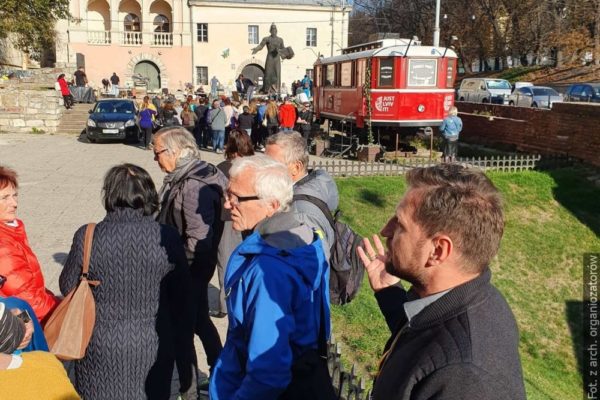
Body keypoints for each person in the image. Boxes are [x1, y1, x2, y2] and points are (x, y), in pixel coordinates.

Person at [356, 164, 526, 400]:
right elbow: (425, 337)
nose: (386, 231)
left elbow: (441, 352)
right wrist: (389, 294)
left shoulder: (465, 379)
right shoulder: (471, 296)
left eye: (400, 224)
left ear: (438, 250)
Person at [60, 164, 195, 399]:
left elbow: (68, 286)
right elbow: (183, 296)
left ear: (110, 194)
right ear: (149, 195)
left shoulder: (88, 235)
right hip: (153, 342)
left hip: (99, 344)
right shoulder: (167, 237)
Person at [209, 155, 332, 399]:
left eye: (236, 198)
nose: (226, 205)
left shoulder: (269, 271)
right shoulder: (303, 235)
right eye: (227, 195)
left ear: (272, 205)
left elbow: (268, 372)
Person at [153, 128, 228, 391]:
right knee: (198, 321)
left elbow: (198, 239)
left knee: (182, 330)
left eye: (157, 152)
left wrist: (176, 266)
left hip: (190, 268)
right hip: (193, 267)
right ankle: (218, 374)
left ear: (175, 152)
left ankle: (191, 387)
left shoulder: (194, 184)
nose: (155, 159)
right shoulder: (195, 173)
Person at [265, 132, 339, 260]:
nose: (263, 170)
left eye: (271, 165)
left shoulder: (301, 214)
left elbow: (314, 267)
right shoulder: (301, 194)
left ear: (296, 167)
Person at [0, 166, 59, 323]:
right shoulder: (3, 246)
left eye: (15, 195)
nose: (14, 203)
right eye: (4, 198)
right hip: (26, 326)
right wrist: (61, 308)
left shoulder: (12, 230)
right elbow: (28, 301)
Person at [212, 129, 255, 318]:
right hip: (251, 217)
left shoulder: (221, 168)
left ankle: (225, 304)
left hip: (227, 219)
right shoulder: (254, 166)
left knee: (227, 260)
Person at [252, 24, 287, 93]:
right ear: (270, 31)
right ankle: (267, 89)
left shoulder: (280, 40)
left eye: (275, 29)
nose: (273, 31)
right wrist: (256, 49)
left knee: (277, 73)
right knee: (268, 73)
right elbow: (261, 45)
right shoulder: (267, 39)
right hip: (270, 58)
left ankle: (276, 89)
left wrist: (286, 54)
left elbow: (283, 49)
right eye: (272, 29)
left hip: (277, 59)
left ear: (276, 31)